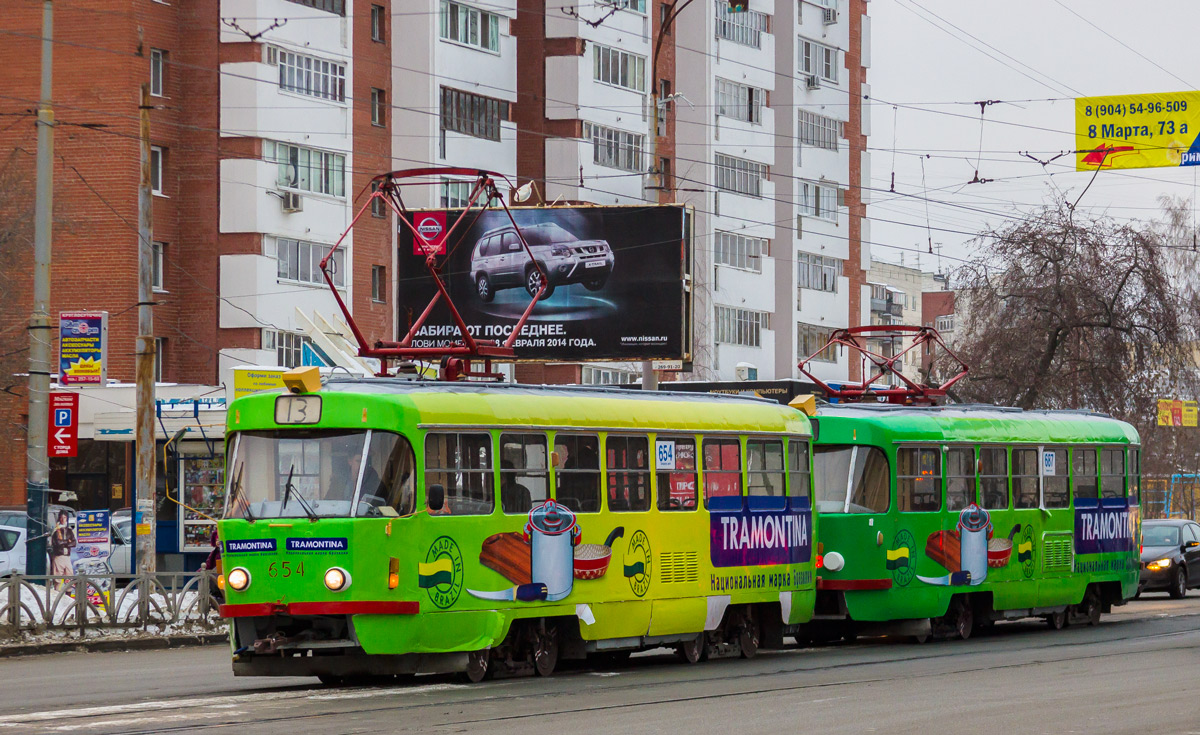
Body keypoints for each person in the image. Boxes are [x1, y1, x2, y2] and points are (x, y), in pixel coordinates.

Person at [49, 510, 75, 584]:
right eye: (61, 517)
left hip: (67, 556)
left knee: (70, 575)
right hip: (59, 555)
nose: (63, 519)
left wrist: (64, 542)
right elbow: (57, 543)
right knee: (58, 577)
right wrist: (67, 541)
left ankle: (68, 593)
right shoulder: (56, 531)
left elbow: (74, 543)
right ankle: (57, 592)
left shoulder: (69, 531)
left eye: (65, 517)